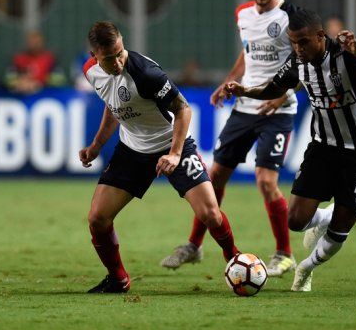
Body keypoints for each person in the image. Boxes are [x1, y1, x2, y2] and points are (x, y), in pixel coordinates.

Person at [223, 9, 356, 292]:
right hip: (323, 148)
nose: (297, 49)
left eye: (303, 42)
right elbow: (273, 88)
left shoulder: (345, 52)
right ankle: (323, 217)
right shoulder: (297, 62)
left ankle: (306, 268)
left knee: (340, 230)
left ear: (320, 37)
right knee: (295, 220)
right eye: (293, 43)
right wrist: (244, 90)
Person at [161, 0, 298, 277]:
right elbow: (248, 52)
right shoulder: (243, 14)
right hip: (245, 107)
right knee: (216, 174)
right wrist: (228, 81)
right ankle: (194, 245)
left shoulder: (291, 17)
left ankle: (284, 253)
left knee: (265, 181)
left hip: (277, 110)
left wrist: (280, 94)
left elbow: (305, 59)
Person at [80, 21, 239, 293]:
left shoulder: (146, 73)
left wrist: (175, 154)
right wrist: (96, 145)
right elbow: (113, 105)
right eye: (109, 58)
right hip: (131, 151)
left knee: (210, 213)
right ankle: (118, 279)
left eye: (120, 53)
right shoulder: (91, 72)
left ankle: (236, 261)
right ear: (94, 56)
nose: (118, 62)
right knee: (98, 218)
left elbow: (183, 110)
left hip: (171, 145)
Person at [4, 30, 65, 94]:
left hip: (45, 95)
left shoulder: (50, 59)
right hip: (21, 95)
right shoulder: (19, 58)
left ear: (42, 42)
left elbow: (59, 79)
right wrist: (19, 82)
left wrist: (39, 83)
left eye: (37, 42)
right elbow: (9, 78)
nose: (34, 44)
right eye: (32, 42)